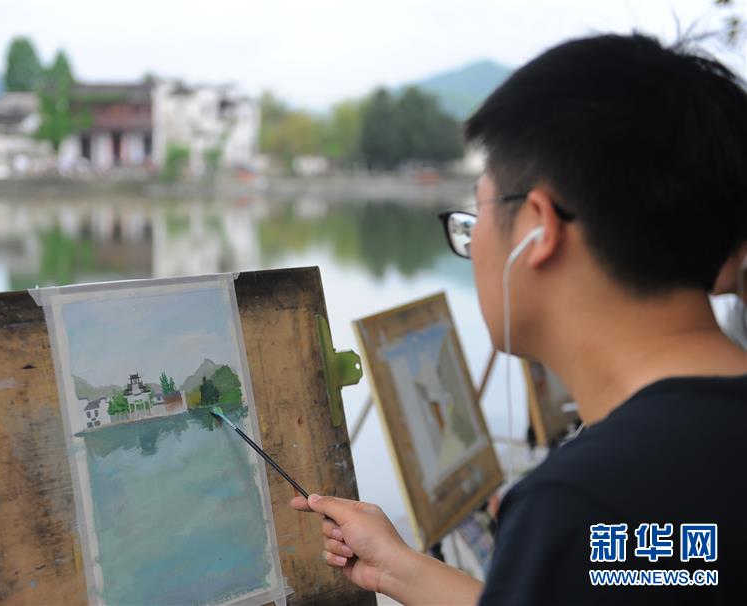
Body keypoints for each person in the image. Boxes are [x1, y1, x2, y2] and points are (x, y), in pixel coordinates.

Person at [292, 33, 747, 604]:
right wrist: (399, 571)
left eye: (475, 215)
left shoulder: (582, 504)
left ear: (538, 228)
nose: (472, 241)